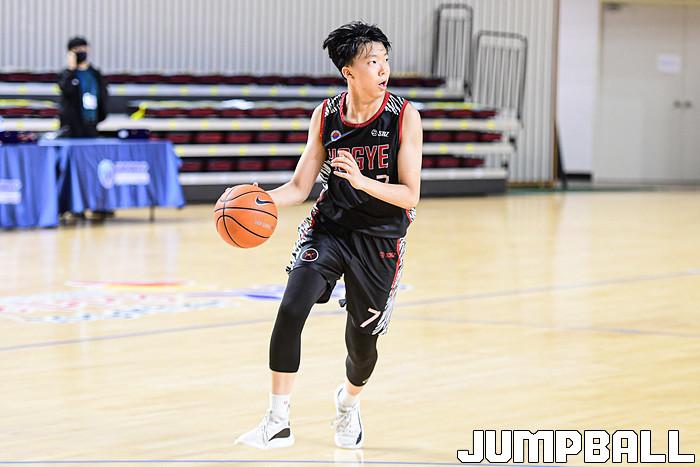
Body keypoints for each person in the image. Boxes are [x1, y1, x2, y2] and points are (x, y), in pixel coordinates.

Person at [234, 21, 423, 450]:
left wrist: (361, 181)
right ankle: (277, 421)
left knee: (362, 345)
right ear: (348, 71)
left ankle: (348, 403)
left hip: (380, 239)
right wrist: (258, 200)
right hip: (329, 229)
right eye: (372, 62)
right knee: (291, 307)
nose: (383, 69)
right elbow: (300, 186)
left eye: (385, 60)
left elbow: (410, 195)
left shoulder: (404, 117)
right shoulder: (326, 115)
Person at [58, 36, 109, 138]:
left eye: (83, 48)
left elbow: (103, 94)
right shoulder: (66, 74)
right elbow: (66, 90)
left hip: (92, 121)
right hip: (72, 125)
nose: (81, 51)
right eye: (76, 49)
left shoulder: (95, 73)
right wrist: (71, 69)